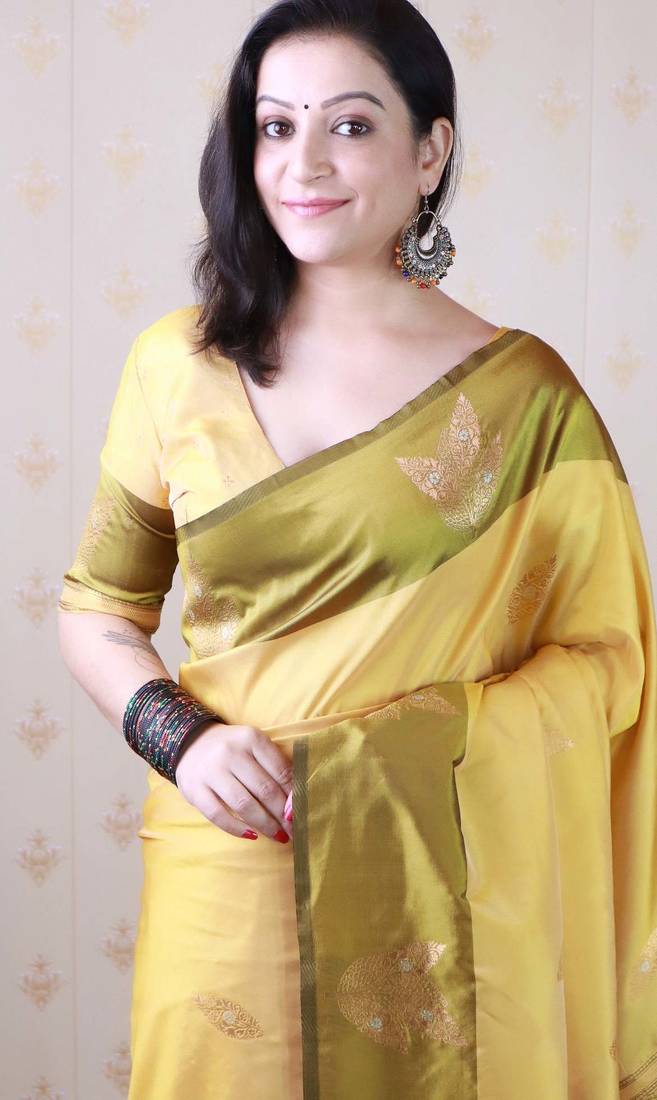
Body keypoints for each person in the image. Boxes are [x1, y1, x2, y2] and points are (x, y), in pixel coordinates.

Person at [57, 1, 657, 1097]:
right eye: (275, 126)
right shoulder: (174, 367)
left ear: (429, 151)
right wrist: (181, 740)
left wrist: (412, 748)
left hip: (440, 894)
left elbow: (608, 662)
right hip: (228, 867)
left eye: (349, 124)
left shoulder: (528, 400)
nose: (304, 163)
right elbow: (98, 605)